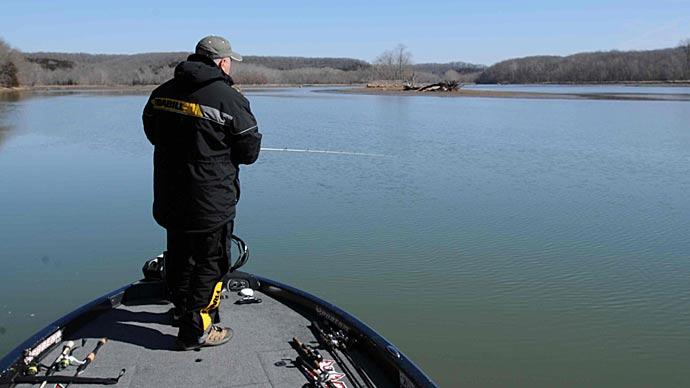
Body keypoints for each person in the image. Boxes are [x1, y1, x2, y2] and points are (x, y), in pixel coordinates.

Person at [142, 35, 262, 350]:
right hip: (211, 201)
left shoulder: (162, 93)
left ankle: (182, 312)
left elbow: (151, 132)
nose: (230, 64)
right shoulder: (229, 98)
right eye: (229, 60)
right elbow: (249, 152)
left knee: (180, 257)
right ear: (222, 62)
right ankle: (197, 329)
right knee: (211, 262)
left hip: (170, 197)